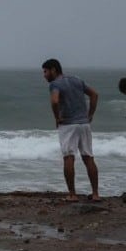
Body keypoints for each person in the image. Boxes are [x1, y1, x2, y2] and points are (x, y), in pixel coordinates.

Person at [41, 58, 101, 201]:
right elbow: (94, 94)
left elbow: (55, 101)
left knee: (69, 157)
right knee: (88, 157)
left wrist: (57, 117)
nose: (44, 75)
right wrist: (90, 114)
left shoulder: (55, 84)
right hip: (84, 124)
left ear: (54, 70)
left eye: (45, 71)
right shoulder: (76, 79)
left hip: (68, 124)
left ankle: (72, 194)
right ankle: (96, 194)